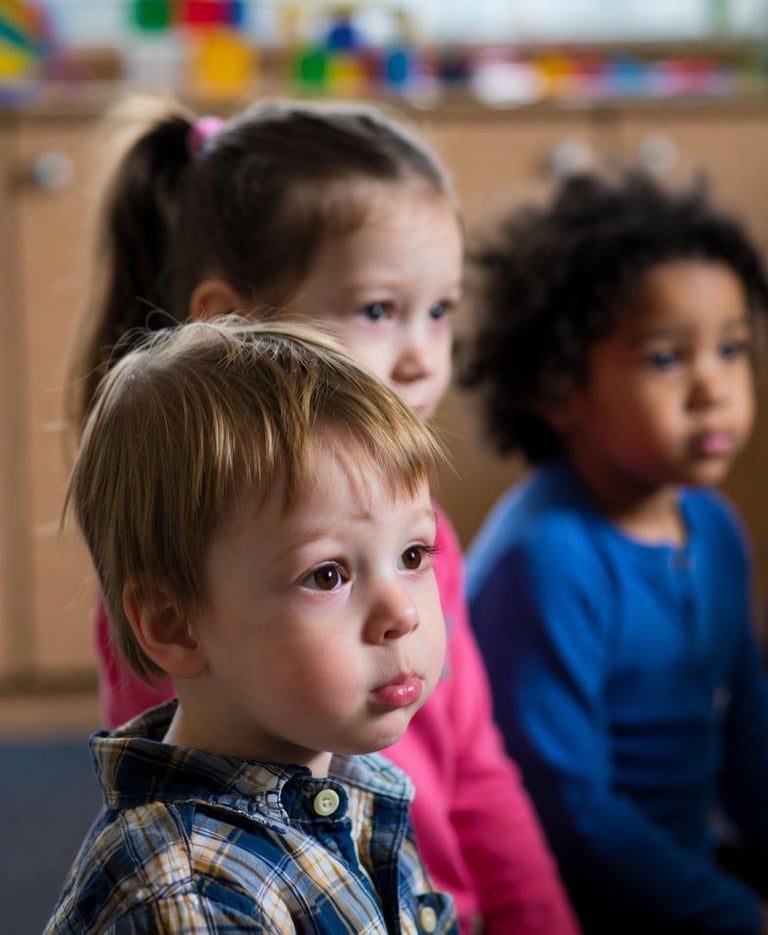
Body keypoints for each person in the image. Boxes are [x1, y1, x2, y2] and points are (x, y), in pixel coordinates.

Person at [67, 96, 579, 935]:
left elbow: (477, 770)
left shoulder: (421, 543)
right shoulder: (191, 887)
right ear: (234, 322)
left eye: (441, 310)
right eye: (379, 309)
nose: (420, 352)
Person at [45, 319, 456, 934]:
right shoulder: (185, 894)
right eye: (326, 575)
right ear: (175, 624)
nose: (404, 613)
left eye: (413, 556)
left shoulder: (361, 787)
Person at [461, 169, 768, 935]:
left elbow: (748, 738)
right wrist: (736, 913)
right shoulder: (548, 559)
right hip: (584, 902)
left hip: (688, 866)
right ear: (559, 384)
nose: (713, 387)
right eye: (667, 359)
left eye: (732, 349)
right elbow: (574, 813)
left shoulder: (717, 527)